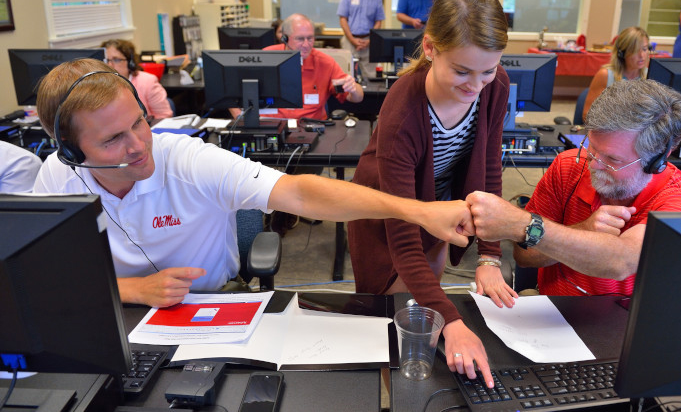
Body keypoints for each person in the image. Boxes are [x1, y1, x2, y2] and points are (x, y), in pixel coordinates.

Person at [32, 58, 476, 309]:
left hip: (211, 304)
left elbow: (300, 192)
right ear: (71, 152)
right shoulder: (57, 176)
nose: (138, 145)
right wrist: (130, 289)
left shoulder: (185, 159)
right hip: (113, 310)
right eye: (112, 140)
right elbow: (41, 272)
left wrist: (417, 210)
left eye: (140, 123)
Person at [348, 0, 515, 389]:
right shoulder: (403, 111)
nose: (477, 85)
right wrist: (454, 322)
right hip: (385, 213)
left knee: (428, 307)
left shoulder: (496, 87)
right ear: (430, 47)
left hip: (442, 207)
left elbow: (490, 170)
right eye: (462, 71)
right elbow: (403, 241)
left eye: (488, 70)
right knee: (392, 320)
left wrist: (490, 258)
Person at [467, 79, 681, 298]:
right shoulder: (569, 166)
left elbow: (621, 260)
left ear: (658, 158)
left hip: (623, 331)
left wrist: (525, 225)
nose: (593, 164)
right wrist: (583, 230)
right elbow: (525, 257)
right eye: (591, 147)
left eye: (613, 159)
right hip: (554, 313)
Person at [229, 14, 362, 121]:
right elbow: (231, 91)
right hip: (272, 127)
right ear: (285, 38)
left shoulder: (325, 62)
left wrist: (353, 88)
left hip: (311, 130)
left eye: (310, 38)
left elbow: (357, 97)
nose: (306, 44)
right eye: (300, 39)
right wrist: (238, 115)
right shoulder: (267, 57)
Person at [582, 26, 649, 121]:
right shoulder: (605, 75)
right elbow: (587, 115)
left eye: (644, 49)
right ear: (622, 53)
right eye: (635, 51)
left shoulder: (650, 76)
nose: (642, 56)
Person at [101, 39, 173, 119]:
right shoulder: (99, 86)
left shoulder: (148, 82)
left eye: (116, 60)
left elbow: (164, 116)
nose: (110, 65)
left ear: (130, 63)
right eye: (106, 60)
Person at [337, 0, 386, 79]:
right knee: (346, 75)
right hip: (349, 41)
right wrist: (353, 40)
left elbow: (378, 21)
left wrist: (369, 40)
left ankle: (369, 98)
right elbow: (343, 19)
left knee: (371, 76)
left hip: (368, 42)